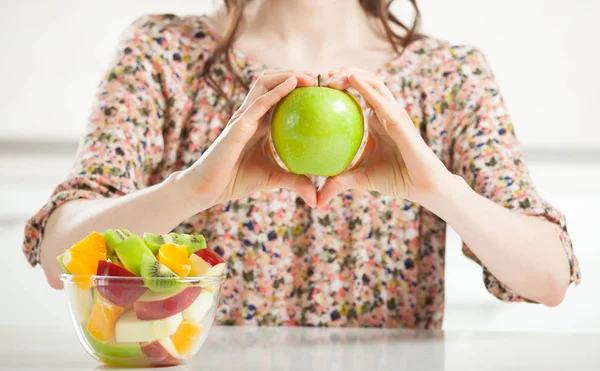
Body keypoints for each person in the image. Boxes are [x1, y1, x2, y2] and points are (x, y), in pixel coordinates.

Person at [23, 0, 580, 328]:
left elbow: (549, 277)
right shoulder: (163, 55)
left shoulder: (447, 75)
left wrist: (441, 190)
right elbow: (59, 256)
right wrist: (191, 189)